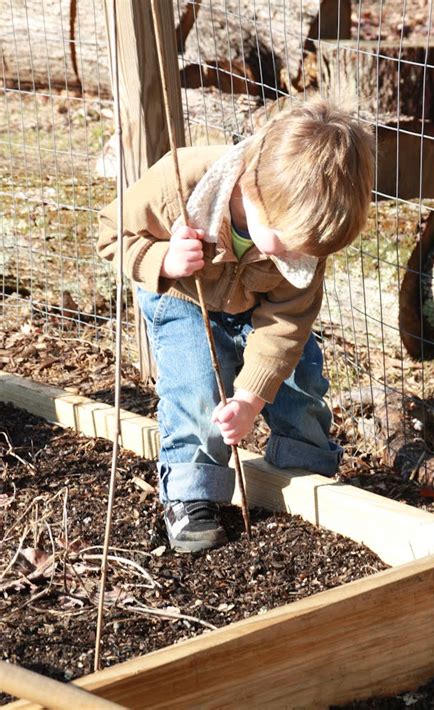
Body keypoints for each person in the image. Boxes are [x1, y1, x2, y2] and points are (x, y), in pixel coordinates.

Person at [97, 98, 374, 553]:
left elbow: (285, 323)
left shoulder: (304, 239)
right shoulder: (180, 182)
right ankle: (191, 493)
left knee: (299, 379)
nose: (296, 258)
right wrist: (161, 258)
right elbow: (111, 233)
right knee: (198, 388)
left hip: (260, 307)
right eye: (289, 245)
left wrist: (248, 400)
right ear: (256, 193)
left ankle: (302, 473)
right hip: (187, 297)